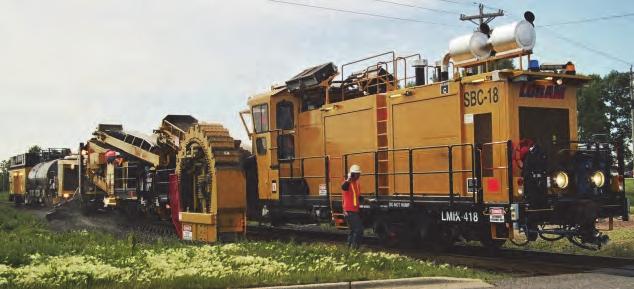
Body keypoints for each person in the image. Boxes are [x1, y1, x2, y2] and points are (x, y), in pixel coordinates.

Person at [341, 164, 363, 249]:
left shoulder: (357, 184)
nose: (358, 176)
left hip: (355, 210)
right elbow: (343, 187)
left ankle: (349, 247)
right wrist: (348, 179)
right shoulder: (347, 183)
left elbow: (358, 196)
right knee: (358, 230)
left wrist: (367, 201)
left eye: (358, 174)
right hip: (349, 211)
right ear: (352, 174)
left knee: (353, 230)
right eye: (356, 174)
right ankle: (354, 248)